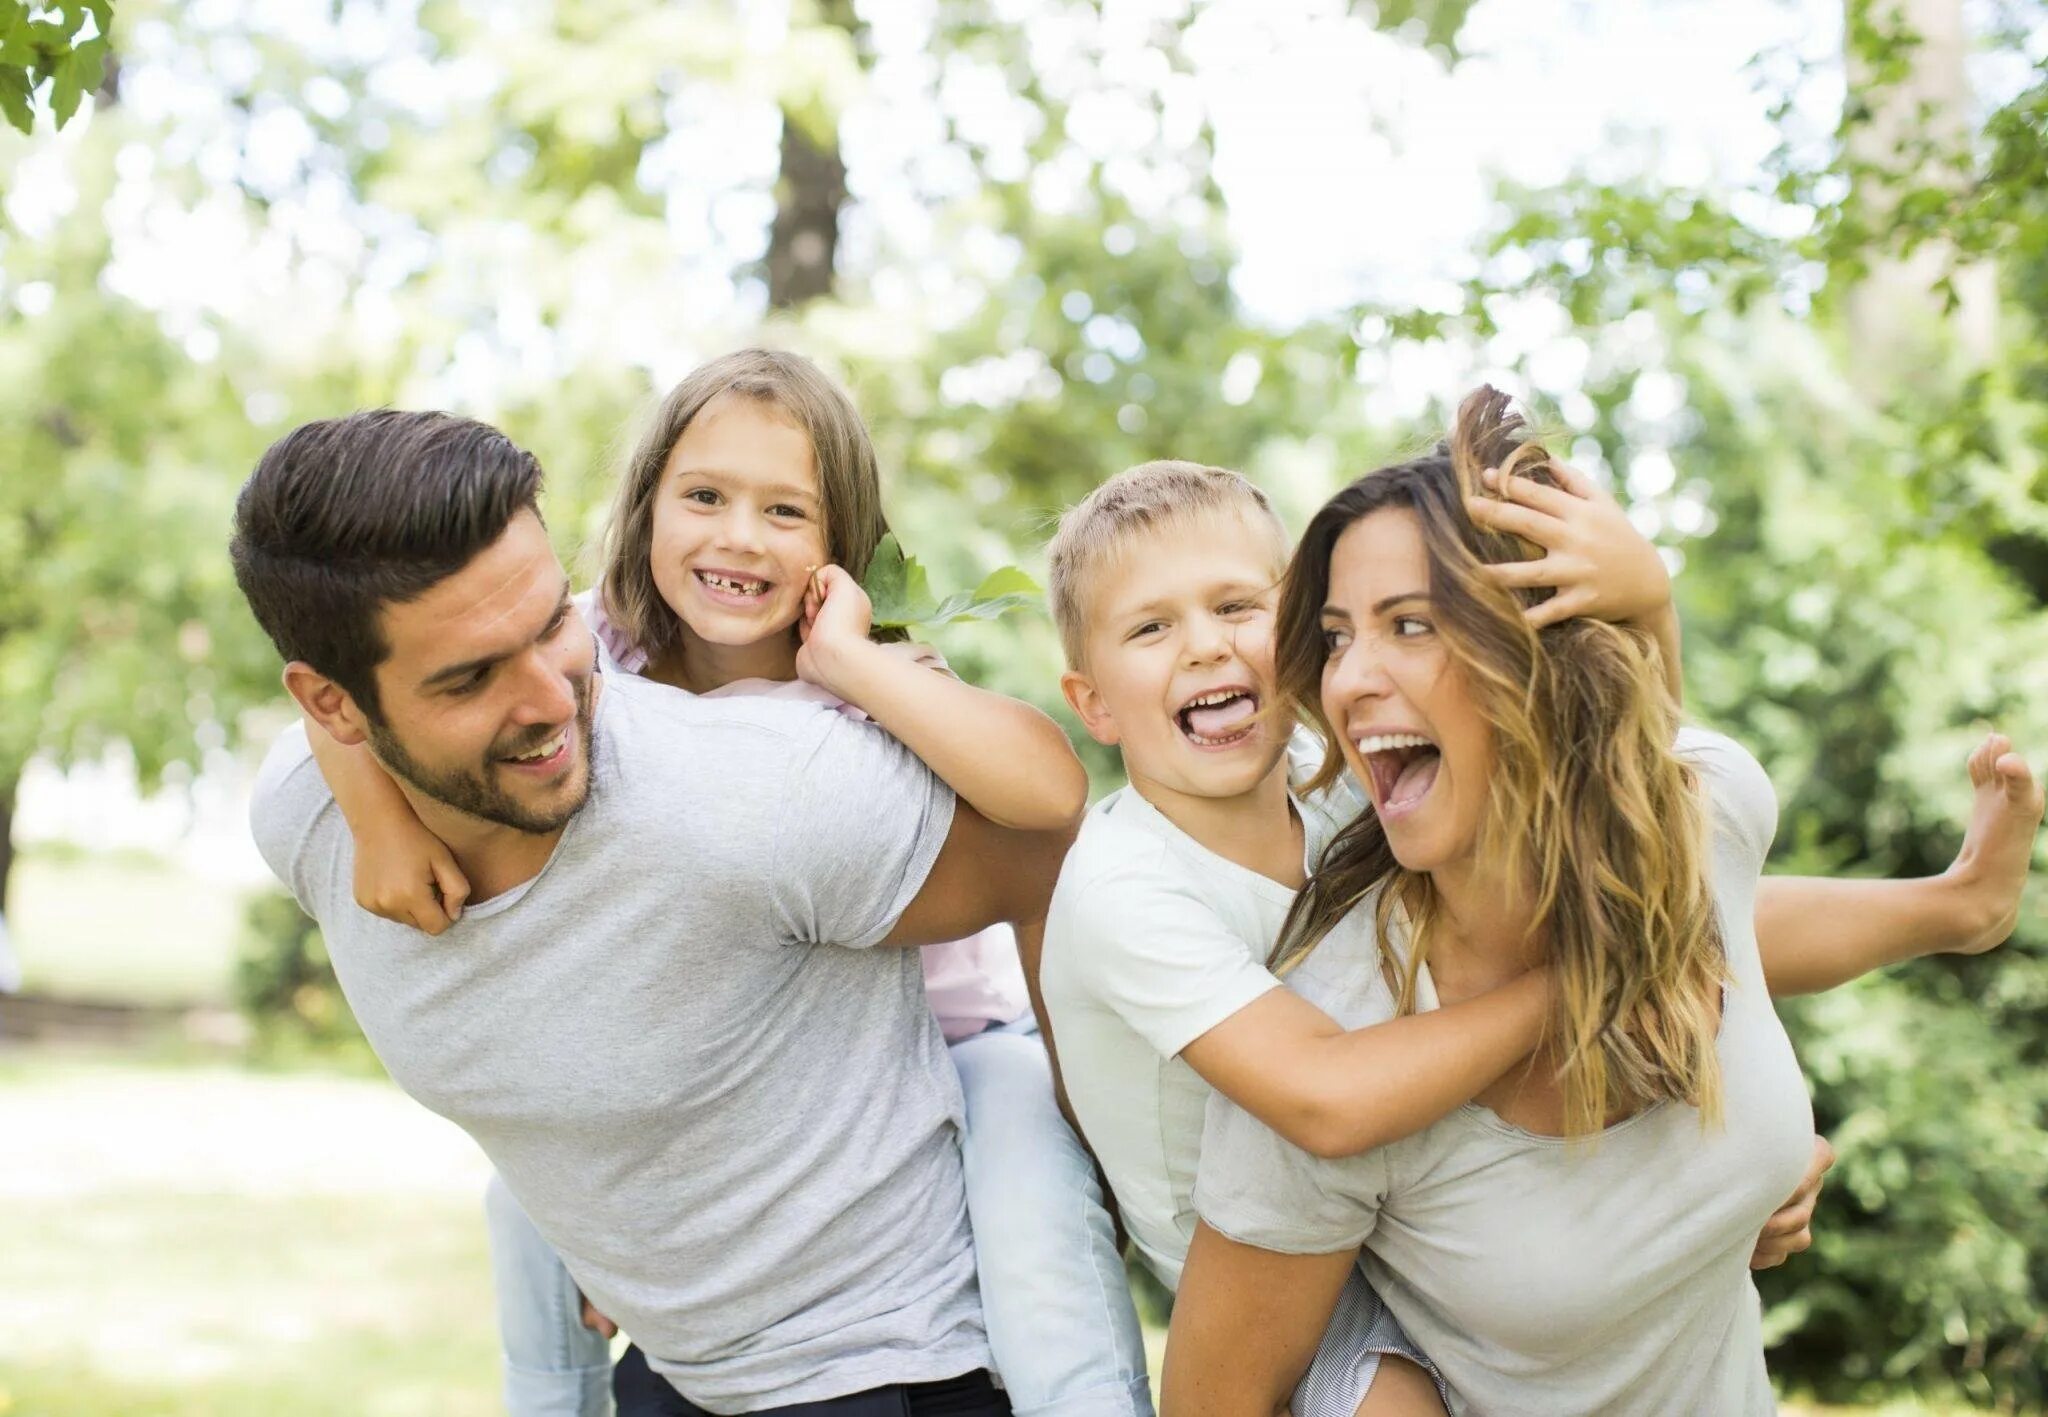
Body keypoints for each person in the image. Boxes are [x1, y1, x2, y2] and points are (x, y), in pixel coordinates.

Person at [1164, 388, 2044, 1414]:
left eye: (1408, 625)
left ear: (1541, 659)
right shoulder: (1342, 1030)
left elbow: (1699, 888)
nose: (1350, 678)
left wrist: (1753, 1173)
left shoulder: (1697, 822)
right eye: (1337, 635)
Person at [302, 351, 1146, 1417]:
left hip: (954, 1046)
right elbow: (346, 680)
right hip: (707, 1082)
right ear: (646, 503)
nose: (738, 536)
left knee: (1044, 1274)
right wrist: (378, 824)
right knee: (522, 1204)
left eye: (785, 510)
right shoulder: (580, 649)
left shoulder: (874, 682)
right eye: (703, 496)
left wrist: (852, 668)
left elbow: (1046, 793)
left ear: (841, 545)